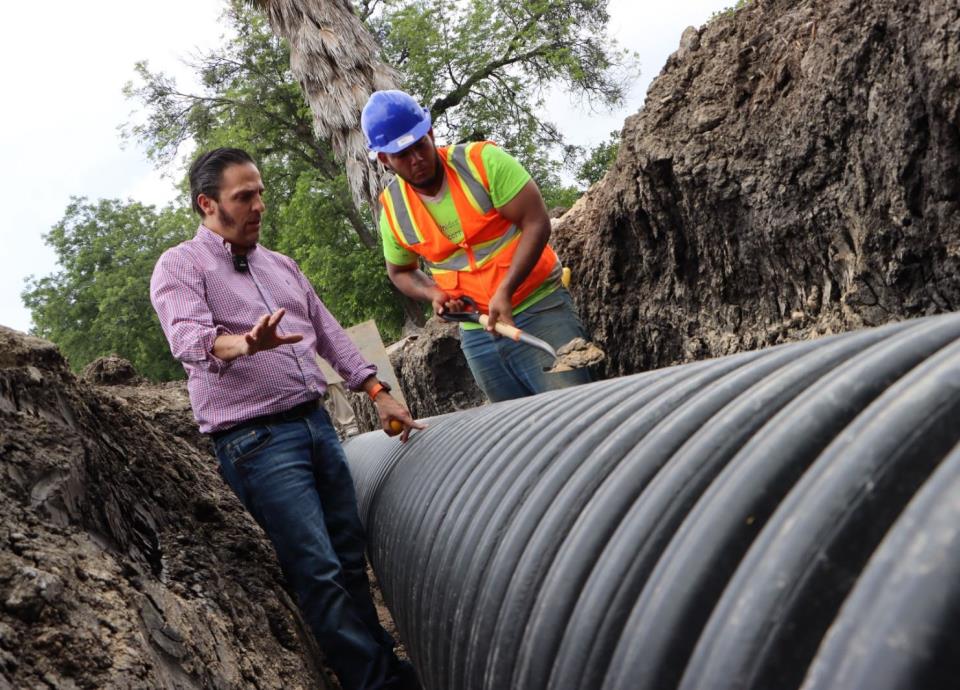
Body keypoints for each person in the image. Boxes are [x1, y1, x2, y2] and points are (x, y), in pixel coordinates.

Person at [149, 147, 422, 690]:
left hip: (316, 425)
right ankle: (373, 683)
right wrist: (245, 343)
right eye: (243, 197)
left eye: (260, 193)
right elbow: (189, 340)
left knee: (349, 558)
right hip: (257, 442)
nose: (258, 206)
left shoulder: (280, 265)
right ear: (207, 205)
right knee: (317, 569)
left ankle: (385, 668)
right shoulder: (181, 265)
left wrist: (377, 390)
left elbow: (328, 333)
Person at [361, 90, 592, 402]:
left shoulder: (482, 163)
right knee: (517, 426)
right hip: (477, 333)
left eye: (420, 146)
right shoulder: (393, 209)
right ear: (384, 160)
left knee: (575, 411)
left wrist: (506, 290)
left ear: (431, 134)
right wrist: (435, 294)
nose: (416, 159)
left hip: (539, 309)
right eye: (403, 154)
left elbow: (536, 222)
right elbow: (400, 271)